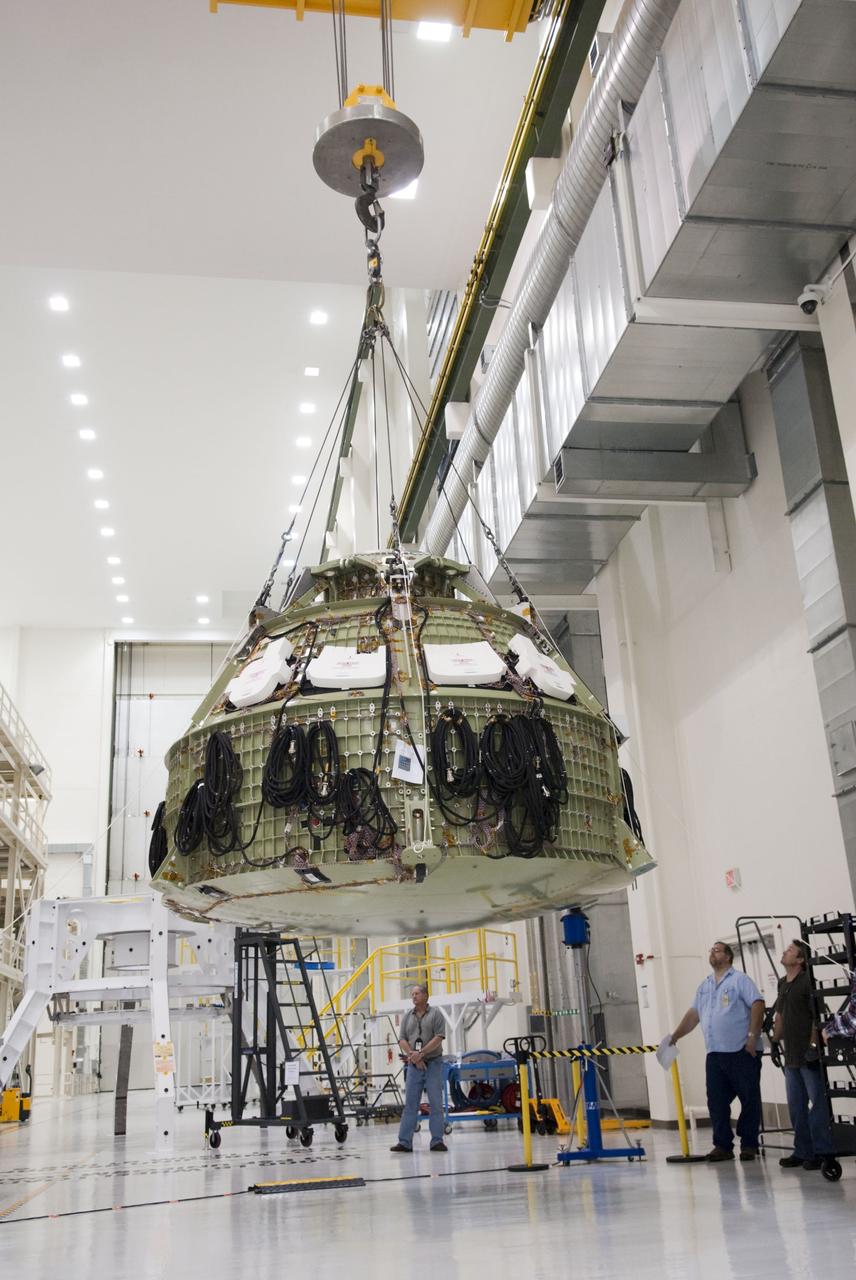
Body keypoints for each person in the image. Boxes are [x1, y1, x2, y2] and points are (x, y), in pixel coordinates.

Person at [669, 941, 765, 1162]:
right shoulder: (705, 986)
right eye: (711, 949)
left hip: (741, 1051)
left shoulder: (740, 980)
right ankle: (722, 1145)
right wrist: (675, 1036)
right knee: (716, 1100)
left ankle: (749, 1144)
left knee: (749, 1098)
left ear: (729, 957)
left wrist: (752, 1037)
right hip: (715, 1053)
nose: (712, 952)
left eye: (718, 950)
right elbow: (694, 1014)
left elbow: (758, 1004)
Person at [771, 939, 834, 1170]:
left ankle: (822, 1151)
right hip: (791, 1057)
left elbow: (816, 1018)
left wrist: (813, 1047)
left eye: (790, 951)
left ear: (800, 960)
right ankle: (803, 1151)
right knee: (796, 1106)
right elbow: (780, 1015)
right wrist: (775, 1042)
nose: (785, 952)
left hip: (808, 1056)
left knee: (817, 1103)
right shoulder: (782, 983)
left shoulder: (808, 982)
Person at [390, 984, 448, 1153]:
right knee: (410, 1104)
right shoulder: (408, 1016)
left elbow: (439, 1038)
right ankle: (404, 1142)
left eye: (417, 994)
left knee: (436, 1103)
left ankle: (437, 1141)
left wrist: (421, 1053)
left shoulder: (436, 1015)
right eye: (412, 994)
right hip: (414, 1065)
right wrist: (413, 1056)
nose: (414, 997)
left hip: (433, 1063)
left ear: (426, 996)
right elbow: (401, 1039)